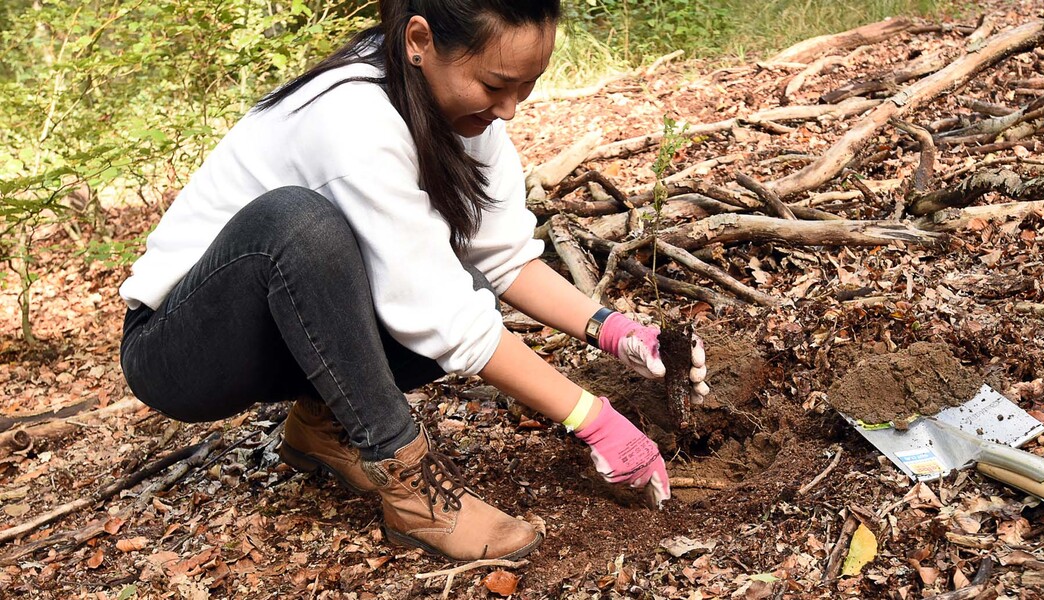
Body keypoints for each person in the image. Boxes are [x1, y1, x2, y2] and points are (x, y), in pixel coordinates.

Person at [117, 0, 707, 562]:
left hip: (286, 329)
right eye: (496, 84)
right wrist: (593, 420)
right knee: (299, 227)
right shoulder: (350, 114)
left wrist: (615, 330)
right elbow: (439, 312)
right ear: (420, 41)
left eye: (527, 85)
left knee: (441, 285)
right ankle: (409, 486)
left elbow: (502, 259)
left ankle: (322, 427)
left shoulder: (462, 115)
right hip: (183, 350)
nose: (509, 110)